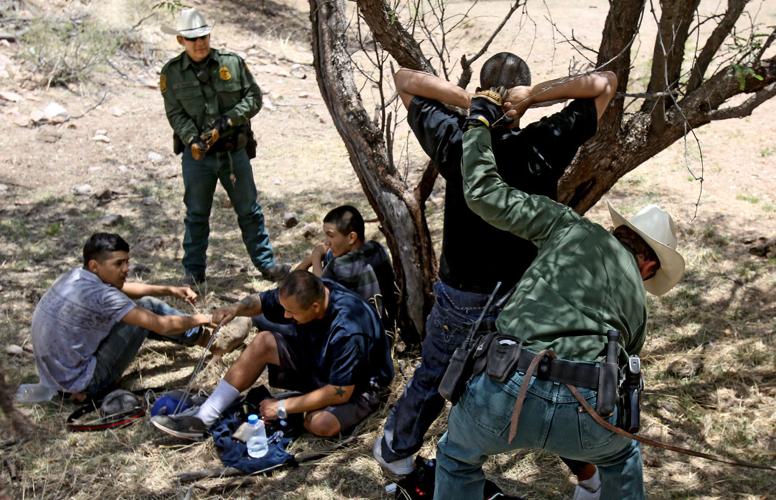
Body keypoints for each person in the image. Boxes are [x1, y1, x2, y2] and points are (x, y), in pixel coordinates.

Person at [374, 52, 617, 497]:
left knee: (436, 373)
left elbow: (403, 80)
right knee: (539, 382)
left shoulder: (457, 140)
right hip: (525, 297)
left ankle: (397, 451)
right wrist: (534, 98)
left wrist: (472, 102)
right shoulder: (544, 143)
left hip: (463, 294)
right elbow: (605, 83)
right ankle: (589, 478)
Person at [431, 88, 686, 499]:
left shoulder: (567, 226)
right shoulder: (637, 303)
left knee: (457, 458)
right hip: (586, 412)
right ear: (649, 265)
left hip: (504, 387)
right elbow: (623, 368)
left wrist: (478, 121)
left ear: (620, 231)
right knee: (622, 459)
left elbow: (482, 193)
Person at [151, 270, 394, 440]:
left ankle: (297, 406)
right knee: (265, 340)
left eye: (291, 313)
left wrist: (282, 406)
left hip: (359, 386)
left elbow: (340, 391)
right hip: (321, 363)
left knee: (321, 424)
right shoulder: (306, 295)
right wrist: (235, 309)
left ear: (316, 307)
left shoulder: (348, 330)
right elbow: (262, 301)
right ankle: (204, 418)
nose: (286, 317)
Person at [160, 8, 289, 285]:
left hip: (233, 153)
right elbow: (175, 113)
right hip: (198, 158)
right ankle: (193, 275)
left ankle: (267, 266)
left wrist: (226, 122)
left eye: (204, 36)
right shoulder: (171, 73)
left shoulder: (232, 64)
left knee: (249, 210)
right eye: (193, 39)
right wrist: (192, 138)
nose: (200, 43)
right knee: (196, 215)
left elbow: (254, 97)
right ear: (181, 40)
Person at [30, 233, 214, 400]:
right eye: (118, 263)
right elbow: (162, 325)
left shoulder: (74, 277)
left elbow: (121, 289)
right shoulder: (103, 296)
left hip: (54, 382)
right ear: (94, 265)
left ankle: (203, 336)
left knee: (138, 307)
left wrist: (169, 290)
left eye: (127, 261)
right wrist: (204, 318)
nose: (126, 268)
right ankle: (211, 339)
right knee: (145, 308)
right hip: (85, 385)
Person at [296, 205, 396, 325]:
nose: (327, 241)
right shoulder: (376, 247)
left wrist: (316, 257)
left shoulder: (340, 265)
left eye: (331, 235)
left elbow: (318, 291)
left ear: (351, 237)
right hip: (387, 325)